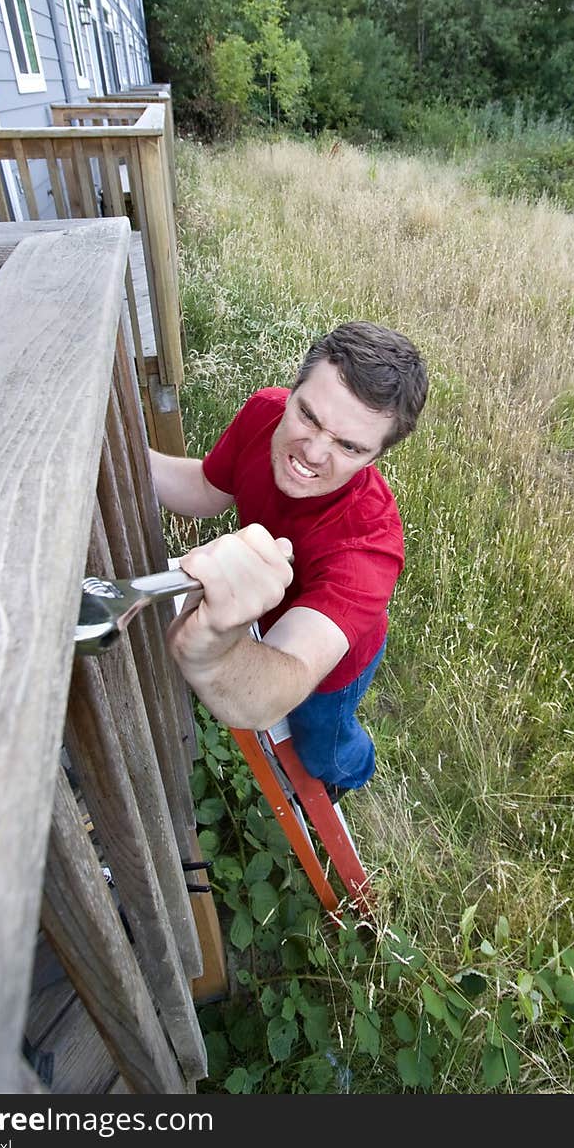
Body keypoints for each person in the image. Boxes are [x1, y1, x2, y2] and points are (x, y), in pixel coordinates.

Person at [150, 321, 428, 795]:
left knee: (321, 743)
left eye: (349, 446)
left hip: (334, 664)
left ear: (376, 457)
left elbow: (283, 679)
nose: (314, 453)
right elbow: (204, 488)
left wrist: (208, 647)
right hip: (270, 626)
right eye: (308, 416)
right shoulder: (263, 412)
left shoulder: (369, 545)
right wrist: (121, 455)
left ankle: (351, 775)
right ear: (294, 389)